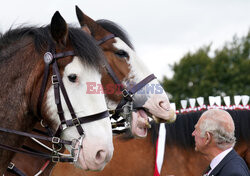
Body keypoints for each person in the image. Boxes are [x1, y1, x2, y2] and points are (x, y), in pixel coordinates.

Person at [192, 109, 249, 176]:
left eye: (197, 129)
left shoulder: (233, 172)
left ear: (207, 138)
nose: (193, 133)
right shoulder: (223, 164)